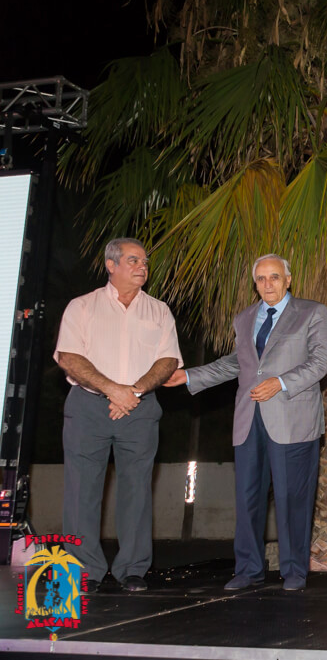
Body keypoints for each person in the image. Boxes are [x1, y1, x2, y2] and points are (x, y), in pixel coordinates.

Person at [165, 254, 327, 591]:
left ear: (288, 280)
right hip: (247, 418)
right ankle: (249, 569)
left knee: (292, 498)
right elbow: (237, 363)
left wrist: (280, 382)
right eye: (261, 279)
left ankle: (294, 571)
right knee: (247, 497)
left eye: (274, 277)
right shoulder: (244, 318)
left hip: (292, 418)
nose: (268, 284)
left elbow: (321, 361)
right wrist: (190, 376)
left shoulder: (311, 312)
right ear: (255, 284)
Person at [54, 238, 182, 592]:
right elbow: (69, 357)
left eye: (145, 261)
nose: (143, 266)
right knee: (81, 491)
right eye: (133, 260)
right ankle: (83, 571)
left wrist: (133, 392)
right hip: (88, 407)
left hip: (140, 409)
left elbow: (168, 360)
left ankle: (133, 568)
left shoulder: (159, 310)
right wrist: (113, 389)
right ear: (111, 265)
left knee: (137, 489)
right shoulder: (82, 306)